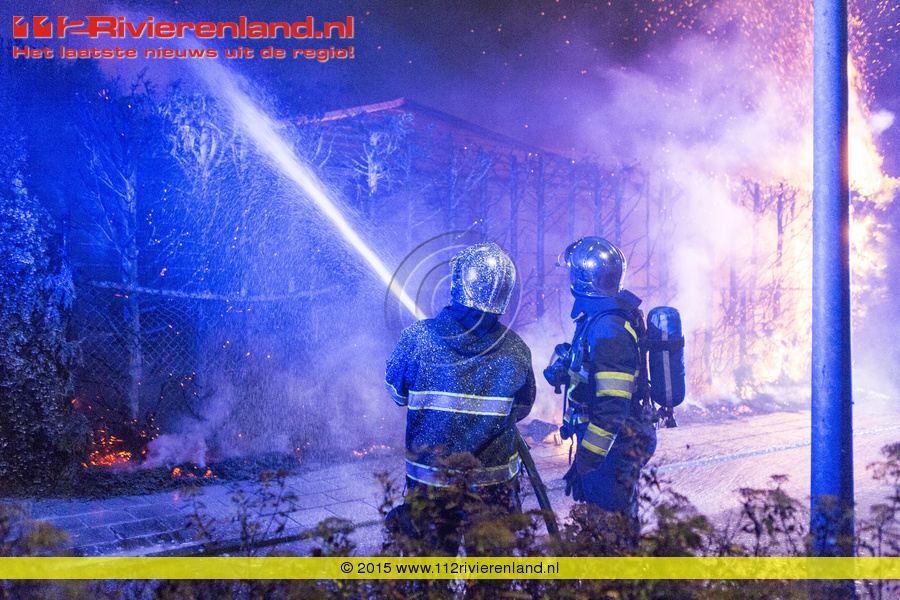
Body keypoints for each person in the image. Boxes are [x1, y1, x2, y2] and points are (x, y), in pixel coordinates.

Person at [385, 242, 536, 556]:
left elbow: (397, 393)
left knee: (429, 576)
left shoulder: (419, 338)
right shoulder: (517, 349)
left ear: (458, 283)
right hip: (494, 492)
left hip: (431, 488)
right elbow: (521, 408)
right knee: (493, 578)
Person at [550, 236, 656, 546]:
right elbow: (595, 371)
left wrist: (587, 460)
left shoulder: (608, 328)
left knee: (612, 536)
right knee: (606, 532)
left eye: (573, 274)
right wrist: (568, 366)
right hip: (610, 446)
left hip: (612, 448)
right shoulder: (603, 318)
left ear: (584, 279)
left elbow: (611, 408)